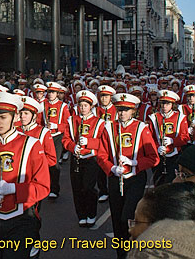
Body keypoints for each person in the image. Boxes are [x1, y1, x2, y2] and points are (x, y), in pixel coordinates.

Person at [0, 92, 50, 259]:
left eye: (3, 117)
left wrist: (13, 189)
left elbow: (43, 187)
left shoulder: (32, 145)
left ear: (14, 117)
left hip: (22, 218)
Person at [97, 93, 160, 259]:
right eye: (120, 109)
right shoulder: (109, 128)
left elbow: (153, 158)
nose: (122, 113)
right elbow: (101, 155)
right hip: (115, 178)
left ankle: (135, 250)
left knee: (129, 216)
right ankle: (122, 254)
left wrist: (135, 163)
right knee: (117, 219)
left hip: (135, 179)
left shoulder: (141, 128)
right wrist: (111, 168)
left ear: (133, 111)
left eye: (126, 110)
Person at [62, 90, 105, 227]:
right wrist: (72, 147)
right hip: (76, 158)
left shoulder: (99, 122)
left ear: (91, 107)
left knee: (88, 187)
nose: (82, 108)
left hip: (91, 158)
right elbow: (66, 139)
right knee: (77, 187)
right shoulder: (72, 120)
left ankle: (91, 213)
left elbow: (103, 143)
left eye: (86, 105)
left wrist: (89, 142)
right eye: (80, 105)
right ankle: (81, 215)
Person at [147, 90, 189, 186]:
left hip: (174, 155)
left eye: (167, 103)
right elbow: (149, 138)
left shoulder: (180, 117)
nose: (164, 106)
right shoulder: (154, 117)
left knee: (172, 182)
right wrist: (157, 147)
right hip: (159, 154)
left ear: (172, 104)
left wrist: (173, 141)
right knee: (158, 182)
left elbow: (185, 137)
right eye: (162, 103)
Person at [43, 82, 70, 199]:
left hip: (57, 136)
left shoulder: (63, 106)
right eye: (49, 92)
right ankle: (45, 186)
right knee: (44, 162)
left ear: (57, 93)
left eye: (53, 92)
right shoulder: (42, 105)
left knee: (54, 163)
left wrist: (56, 126)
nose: (50, 94)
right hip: (45, 136)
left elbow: (68, 124)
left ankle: (54, 188)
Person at [95, 85, 117, 203]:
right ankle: (103, 190)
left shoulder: (116, 109)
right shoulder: (96, 110)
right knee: (100, 165)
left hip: (112, 140)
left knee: (113, 163)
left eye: (106, 96)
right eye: (102, 96)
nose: (104, 99)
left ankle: (114, 188)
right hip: (100, 141)